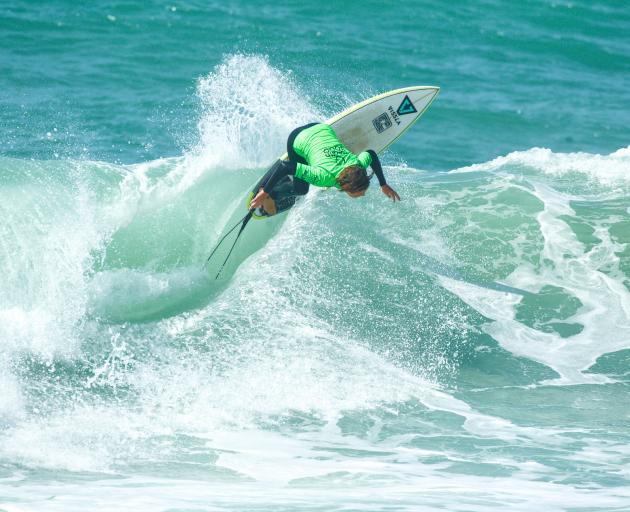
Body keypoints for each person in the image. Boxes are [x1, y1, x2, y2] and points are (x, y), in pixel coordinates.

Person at [249, 123, 400, 213]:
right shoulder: (323, 177)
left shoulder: (358, 165)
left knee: (308, 167)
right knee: (302, 190)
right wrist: (264, 192)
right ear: (347, 187)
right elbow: (285, 166)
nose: (362, 195)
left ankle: (308, 159)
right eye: (360, 192)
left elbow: (371, 154)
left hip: (320, 127)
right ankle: (273, 195)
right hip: (297, 138)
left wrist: (383, 184)